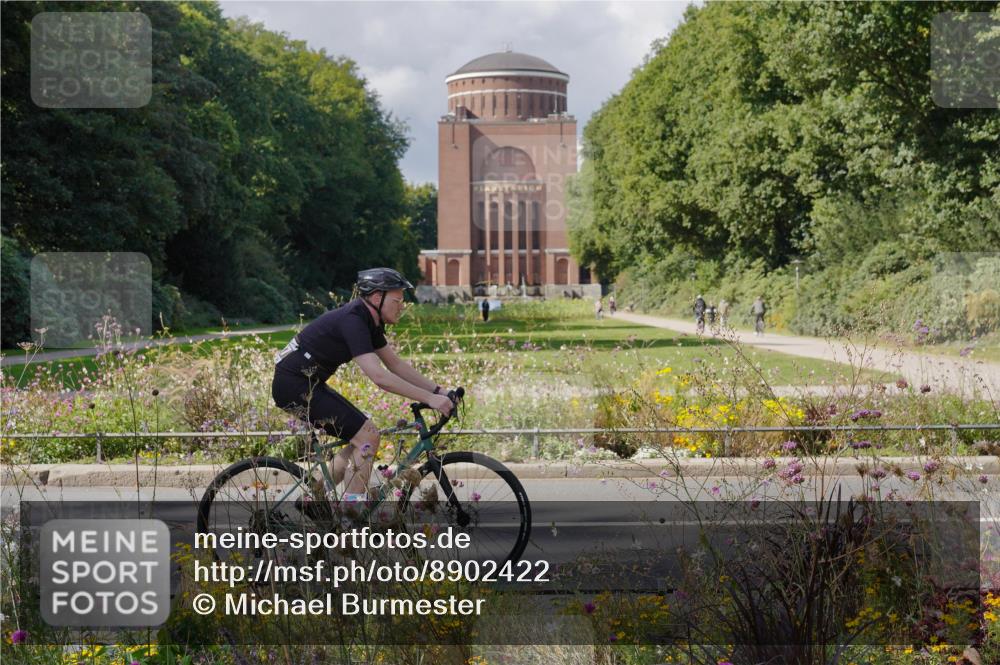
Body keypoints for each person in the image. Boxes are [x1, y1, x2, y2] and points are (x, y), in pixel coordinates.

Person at [271, 268, 454, 502]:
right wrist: (430, 399)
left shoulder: (369, 321)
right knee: (367, 436)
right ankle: (350, 521)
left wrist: (438, 391)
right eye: (398, 300)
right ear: (377, 298)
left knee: (360, 436)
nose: (402, 306)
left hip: (305, 383)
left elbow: (395, 364)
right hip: (294, 386)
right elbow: (379, 377)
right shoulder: (354, 320)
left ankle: (312, 499)